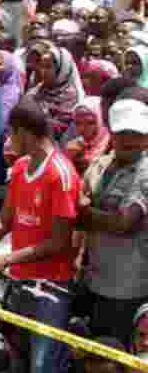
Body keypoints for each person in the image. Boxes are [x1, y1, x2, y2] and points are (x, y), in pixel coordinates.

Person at [0, 99, 79, 373]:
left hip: (50, 288)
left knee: (43, 371)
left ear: (25, 133)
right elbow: (4, 221)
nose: (9, 141)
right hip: (19, 282)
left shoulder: (61, 174)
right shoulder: (20, 168)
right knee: (16, 363)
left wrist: (5, 258)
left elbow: (59, 242)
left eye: (11, 133)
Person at [77, 99, 148, 344]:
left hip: (128, 287)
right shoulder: (101, 165)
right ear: (112, 133)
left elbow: (125, 224)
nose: (129, 140)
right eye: (122, 133)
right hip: (96, 279)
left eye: (136, 134)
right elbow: (78, 211)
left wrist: (86, 213)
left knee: (118, 354)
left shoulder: (145, 172)